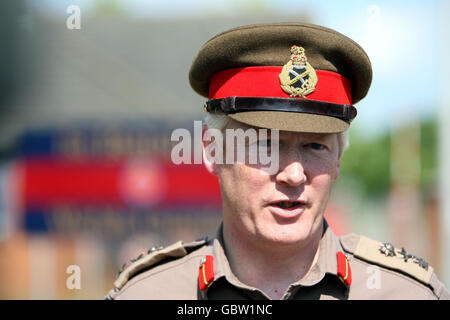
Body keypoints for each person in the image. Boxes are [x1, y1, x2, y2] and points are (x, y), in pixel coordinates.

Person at [105, 22, 449, 300]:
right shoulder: (148, 294)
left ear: (339, 158)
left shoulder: (405, 293)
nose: (294, 173)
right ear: (212, 150)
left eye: (316, 146)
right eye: (265, 145)